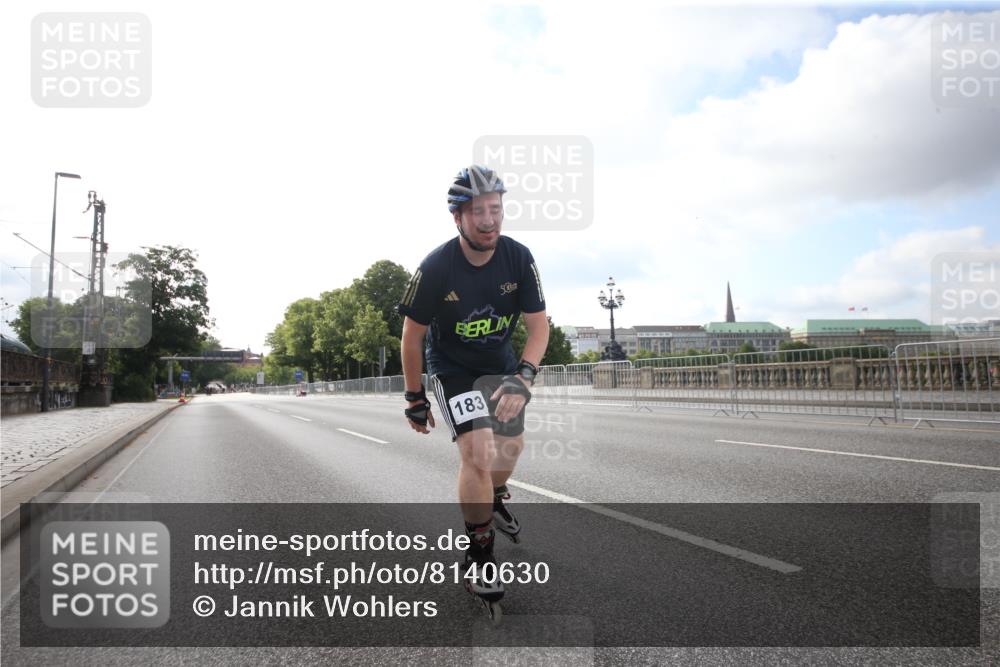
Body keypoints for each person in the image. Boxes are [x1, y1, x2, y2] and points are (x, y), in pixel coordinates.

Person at [397, 165, 549, 608]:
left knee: (510, 449)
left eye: (495, 209)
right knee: (478, 451)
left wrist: (524, 376)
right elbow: (412, 337)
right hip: (454, 370)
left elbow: (539, 327)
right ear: (458, 218)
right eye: (477, 211)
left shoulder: (519, 258)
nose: (488, 220)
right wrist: (414, 396)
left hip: (502, 368)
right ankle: (480, 555)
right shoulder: (436, 266)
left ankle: (495, 497)